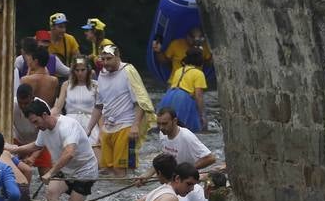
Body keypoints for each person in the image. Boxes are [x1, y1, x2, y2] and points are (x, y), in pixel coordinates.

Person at [12, 98, 97, 201]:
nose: (35, 126)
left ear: (45, 115)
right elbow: (35, 145)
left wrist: (51, 172)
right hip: (66, 169)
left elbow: (69, 153)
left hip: (85, 169)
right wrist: (14, 149)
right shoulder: (44, 129)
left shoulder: (67, 125)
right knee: (51, 192)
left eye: (36, 121)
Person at [85, 45, 154, 177]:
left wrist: (135, 125)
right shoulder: (102, 75)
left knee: (121, 170)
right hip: (108, 127)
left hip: (126, 127)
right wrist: (89, 129)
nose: (105, 63)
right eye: (103, 59)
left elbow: (140, 101)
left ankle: (127, 196)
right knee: (107, 169)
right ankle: (115, 197)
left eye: (109, 59)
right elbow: (98, 105)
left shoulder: (128, 71)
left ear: (117, 57)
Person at [161, 46, 209, 133]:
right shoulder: (199, 73)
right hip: (183, 99)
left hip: (169, 96)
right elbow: (199, 96)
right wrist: (203, 115)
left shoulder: (178, 70)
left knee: (168, 127)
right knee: (187, 129)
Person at [54, 56, 98, 145]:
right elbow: (58, 107)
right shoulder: (66, 85)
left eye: (83, 70)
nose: (80, 73)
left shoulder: (95, 85)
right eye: (77, 70)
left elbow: (100, 109)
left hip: (90, 122)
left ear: (88, 70)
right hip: (70, 122)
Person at [19, 43, 61, 108]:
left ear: (35, 61)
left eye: (31, 59)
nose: (30, 62)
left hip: (30, 115)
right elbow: (52, 103)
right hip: (46, 114)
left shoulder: (25, 80)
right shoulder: (54, 81)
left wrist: (28, 71)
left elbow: (22, 102)